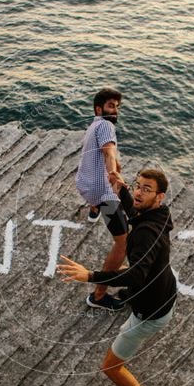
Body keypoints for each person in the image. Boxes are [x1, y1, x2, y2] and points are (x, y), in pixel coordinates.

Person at [58, 169, 177, 386]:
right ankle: (127, 296)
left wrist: (89, 275)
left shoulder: (147, 234)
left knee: (111, 367)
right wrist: (121, 189)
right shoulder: (161, 214)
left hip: (150, 313)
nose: (139, 192)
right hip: (164, 289)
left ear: (160, 196)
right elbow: (136, 213)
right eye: (138, 186)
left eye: (146, 189)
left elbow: (136, 274)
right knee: (135, 270)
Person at [75, 88, 127, 311]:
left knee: (98, 200)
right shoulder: (106, 126)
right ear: (99, 109)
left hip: (84, 184)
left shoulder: (94, 125)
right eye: (110, 106)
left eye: (117, 106)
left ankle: (93, 209)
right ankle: (98, 295)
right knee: (123, 242)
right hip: (102, 191)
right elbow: (109, 152)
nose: (115, 110)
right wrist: (114, 174)